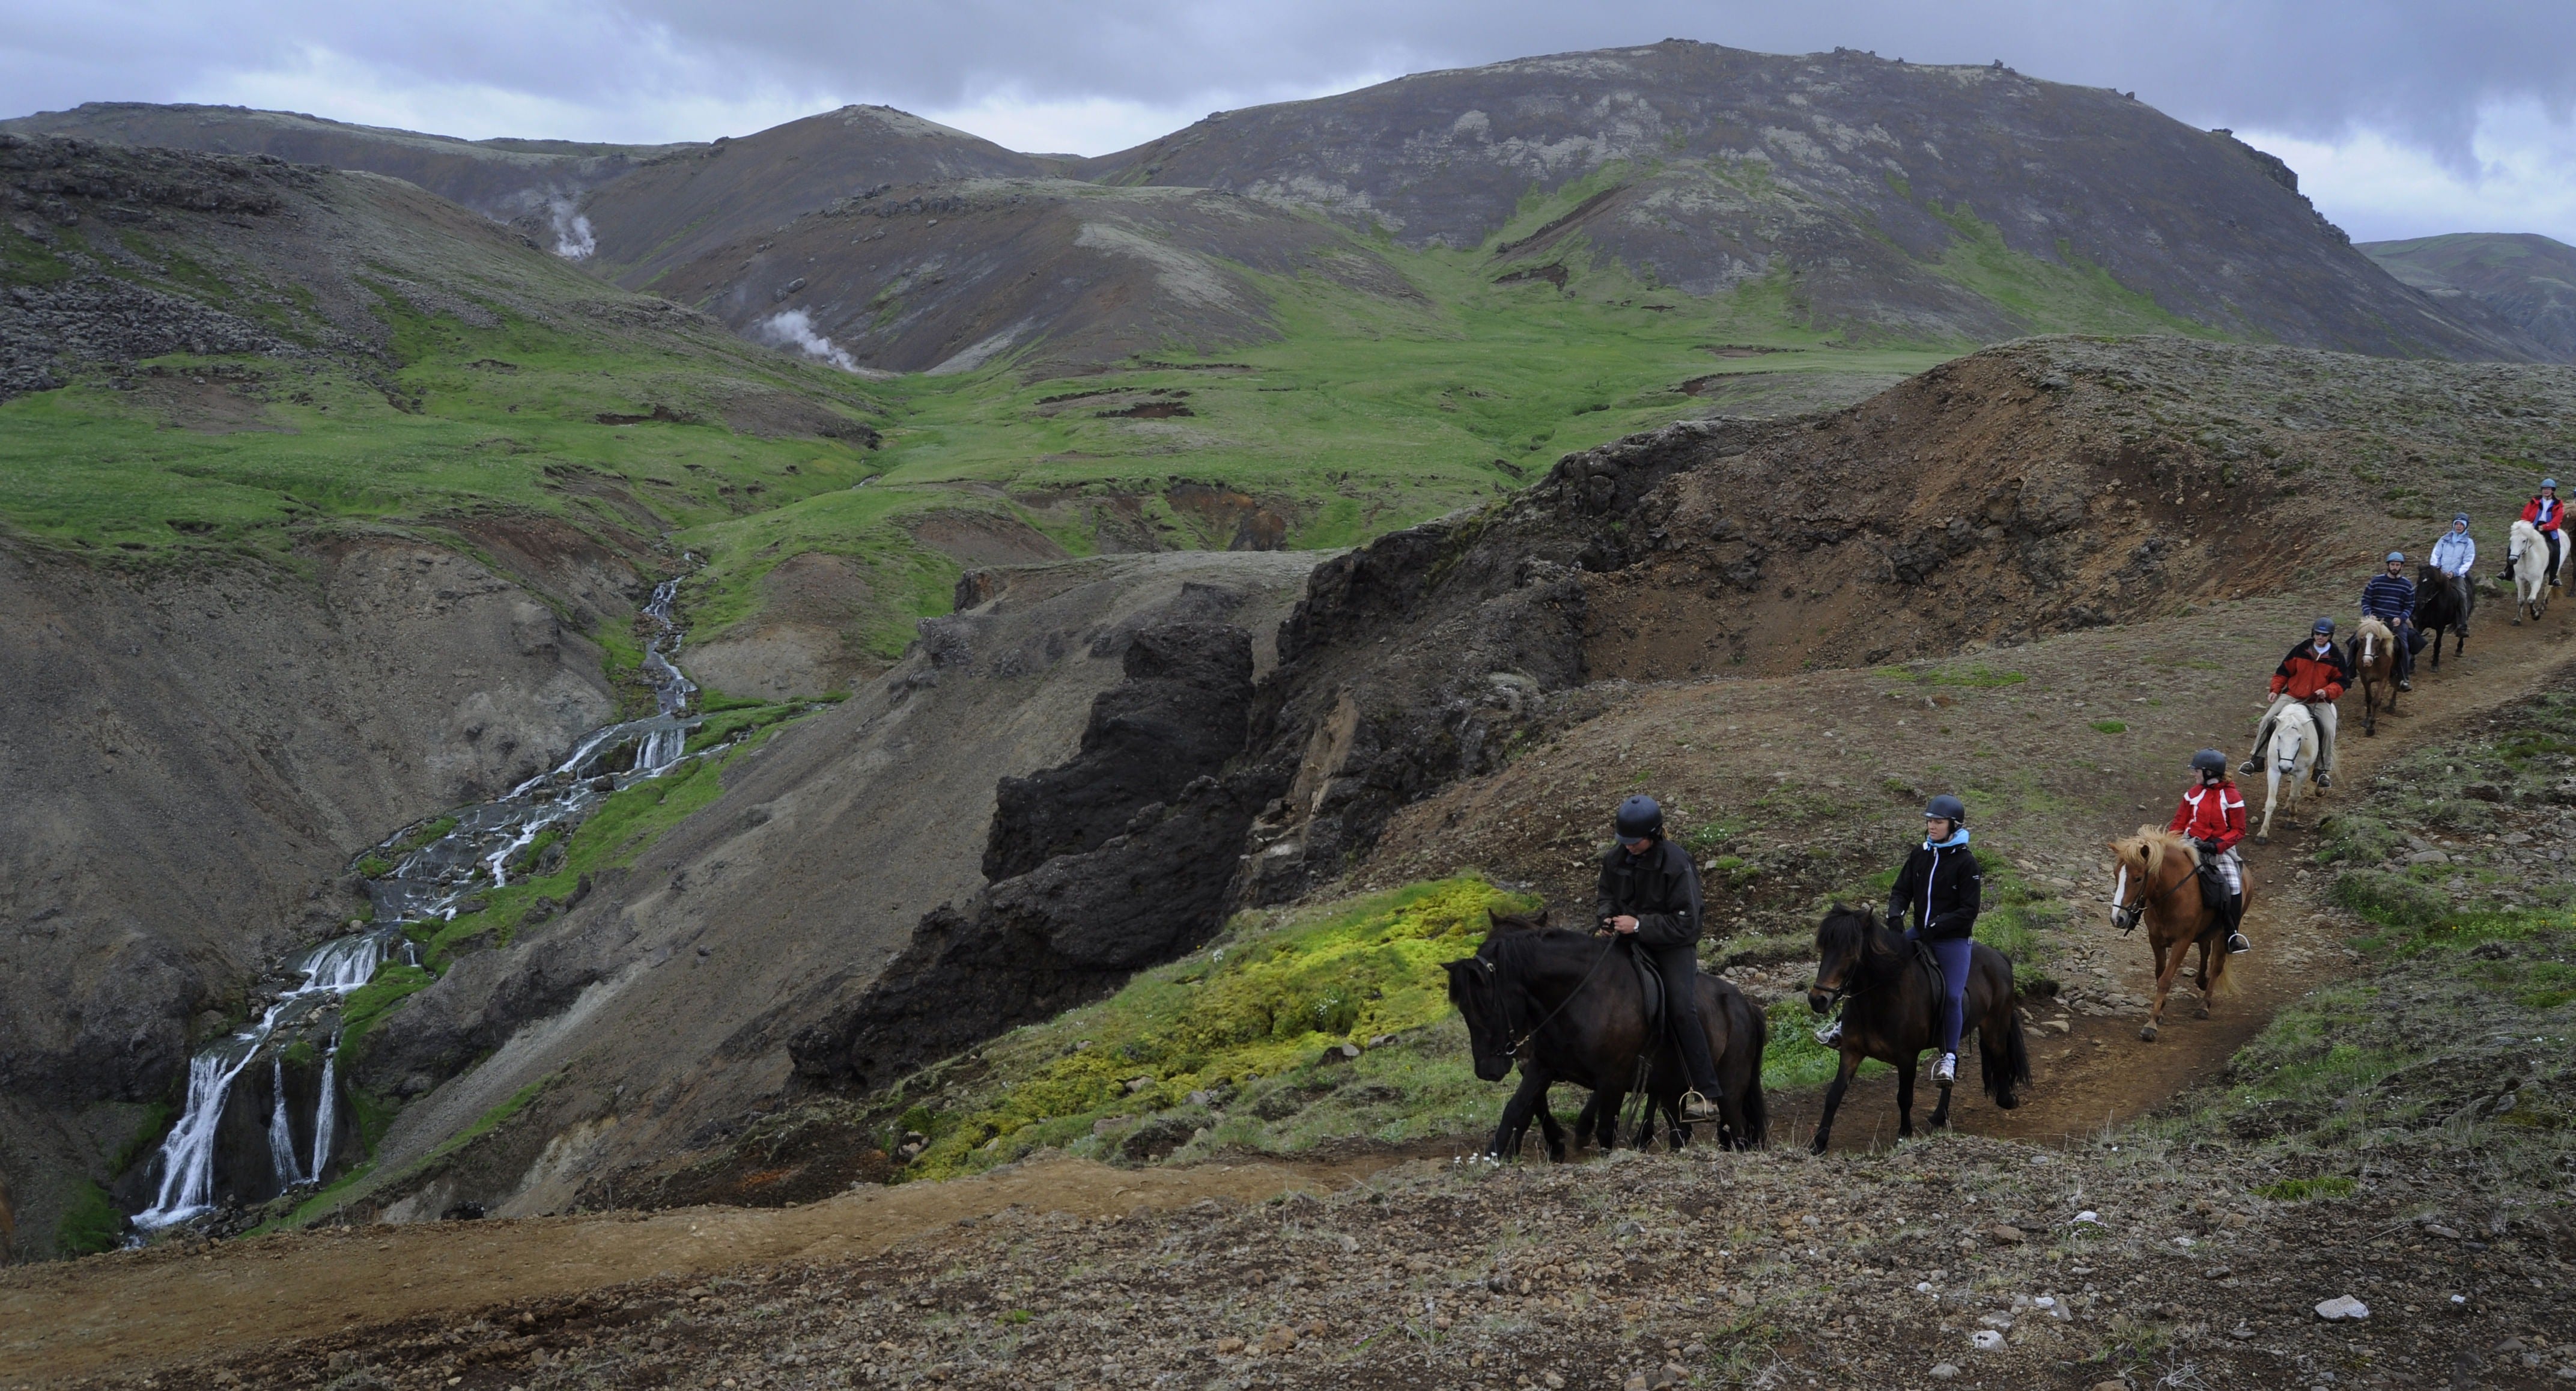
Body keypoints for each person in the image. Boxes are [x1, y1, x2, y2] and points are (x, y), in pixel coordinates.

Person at [1596, 794, 1725, 1121]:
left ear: (1653, 835)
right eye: (1624, 840)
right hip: (1627, 939)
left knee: (1681, 1007)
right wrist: (1607, 919)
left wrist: (1639, 925)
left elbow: (1687, 923)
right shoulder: (1615, 857)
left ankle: (1707, 1093)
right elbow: (1606, 894)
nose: (1628, 846)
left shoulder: (1678, 863)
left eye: (1634, 841)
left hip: (1673, 946)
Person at [1879, 794, 1984, 1086]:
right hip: (1920, 933)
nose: (1932, 826)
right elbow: (1901, 891)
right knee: (1878, 966)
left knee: (1952, 996)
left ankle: (1949, 1057)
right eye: (1929, 821)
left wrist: (1937, 925)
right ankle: (1844, 1026)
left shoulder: (1967, 863)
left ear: (1954, 825)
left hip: (1952, 941)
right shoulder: (1920, 854)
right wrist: (1895, 916)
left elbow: (1969, 910)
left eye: (1938, 822)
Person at [2243, 618, 2351, 790]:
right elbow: (2283, 671)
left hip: (2319, 700)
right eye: (2318, 633)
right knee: (2267, 719)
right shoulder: (2300, 650)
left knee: (2329, 730)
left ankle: (2322, 770)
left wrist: (2327, 691)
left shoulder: (2336, 657)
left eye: (2325, 635)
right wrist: (2275, 690)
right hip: (2293, 695)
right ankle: (2256, 759)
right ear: (2313, 633)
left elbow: (2342, 682)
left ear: (2330, 636)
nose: (2320, 637)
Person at [2169, 750, 2251, 954]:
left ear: (2209, 772)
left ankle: (2232, 935)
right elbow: (2179, 823)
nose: (2194, 774)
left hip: (2220, 848)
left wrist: (2217, 845)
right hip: (2190, 842)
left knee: (2234, 885)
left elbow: (2239, 831)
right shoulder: (2193, 794)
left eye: (2197, 771)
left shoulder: (2232, 797)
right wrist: (2170, 844)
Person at [2359, 551, 2422, 692]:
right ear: (2388, 566)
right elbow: (2366, 600)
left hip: (2395, 621)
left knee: (2404, 646)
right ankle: (2350, 671)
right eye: (2392, 565)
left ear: (2401, 567)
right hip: (2376, 621)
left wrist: (2401, 618)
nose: (2395, 567)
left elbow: (2409, 606)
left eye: (2397, 565)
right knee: (2354, 641)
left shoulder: (2407, 585)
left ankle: (2404, 678)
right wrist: (2369, 615)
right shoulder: (2376, 581)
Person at [2512, 479, 2565, 589]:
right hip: (2532, 527)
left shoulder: (2558, 504)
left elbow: (2557, 521)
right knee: (2515, 543)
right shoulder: (2534, 501)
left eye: (2548, 489)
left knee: (2556, 549)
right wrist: (2526, 526)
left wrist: (2545, 527)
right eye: (2544, 489)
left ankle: (2553, 577)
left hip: (2549, 529)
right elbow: (2525, 515)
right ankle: (2508, 571)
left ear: (2553, 490)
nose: (2546, 491)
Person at [2429, 514, 2476, 638]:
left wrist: (2455, 573)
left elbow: (2468, 561)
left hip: (2456, 576)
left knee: (2462, 596)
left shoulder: (2468, 543)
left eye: (2461, 525)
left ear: (2465, 526)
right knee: (2423, 588)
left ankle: (2462, 625)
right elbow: (2436, 554)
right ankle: (2416, 615)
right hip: (2440, 573)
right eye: (2457, 524)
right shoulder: (2444, 539)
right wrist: (2437, 569)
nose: (2459, 526)